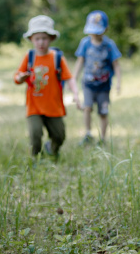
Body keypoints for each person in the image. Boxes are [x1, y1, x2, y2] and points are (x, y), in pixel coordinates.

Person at [14, 15, 81, 159]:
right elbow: (17, 77)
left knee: (60, 136)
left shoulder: (57, 57)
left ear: (51, 38)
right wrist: (21, 78)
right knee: (35, 135)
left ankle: (52, 149)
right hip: (34, 106)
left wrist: (75, 94)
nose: (41, 42)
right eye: (37, 38)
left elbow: (69, 77)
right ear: (31, 39)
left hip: (53, 106)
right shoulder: (29, 57)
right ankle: (35, 159)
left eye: (44, 38)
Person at [74, 10, 122, 145]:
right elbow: (80, 61)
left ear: (106, 29)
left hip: (104, 86)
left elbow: (116, 65)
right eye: (92, 31)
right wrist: (74, 78)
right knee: (87, 107)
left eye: (98, 31)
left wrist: (119, 82)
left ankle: (103, 138)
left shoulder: (109, 45)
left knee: (103, 112)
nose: (95, 34)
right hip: (88, 84)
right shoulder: (85, 43)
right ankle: (88, 133)